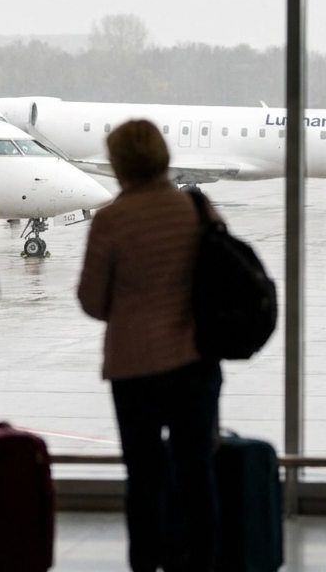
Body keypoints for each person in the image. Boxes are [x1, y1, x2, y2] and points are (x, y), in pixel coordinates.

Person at [77, 119, 222, 572]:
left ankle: (147, 564)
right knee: (197, 476)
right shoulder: (196, 211)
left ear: (119, 165)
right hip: (194, 362)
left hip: (133, 368)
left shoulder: (111, 220)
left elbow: (92, 301)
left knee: (143, 480)